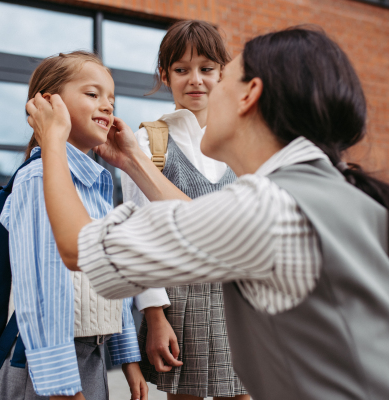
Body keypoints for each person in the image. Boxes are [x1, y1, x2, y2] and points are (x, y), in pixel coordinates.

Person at [26, 27, 389, 400]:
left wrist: (55, 139)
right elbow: (202, 220)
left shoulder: (268, 206)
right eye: (184, 70)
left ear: (249, 94)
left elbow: (79, 249)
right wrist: (136, 161)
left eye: (219, 75)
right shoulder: (334, 188)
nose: (204, 85)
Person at [0, 51, 147, 400]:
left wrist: (127, 357)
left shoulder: (97, 185)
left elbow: (112, 280)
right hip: (47, 368)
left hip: (89, 357)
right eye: (93, 94)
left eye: (111, 98)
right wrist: (61, 386)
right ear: (49, 103)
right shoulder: (37, 179)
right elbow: (40, 289)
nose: (107, 106)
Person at [122, 20, 248, 400]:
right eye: (182, 69)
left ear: (222, 73)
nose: (195, 79)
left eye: (207, 69)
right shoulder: (148, 140)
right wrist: (155, 317)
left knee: (243, 395)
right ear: (165, 75)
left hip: (239, 296)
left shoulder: (243, 139)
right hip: (178, 297)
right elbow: (140, 235)